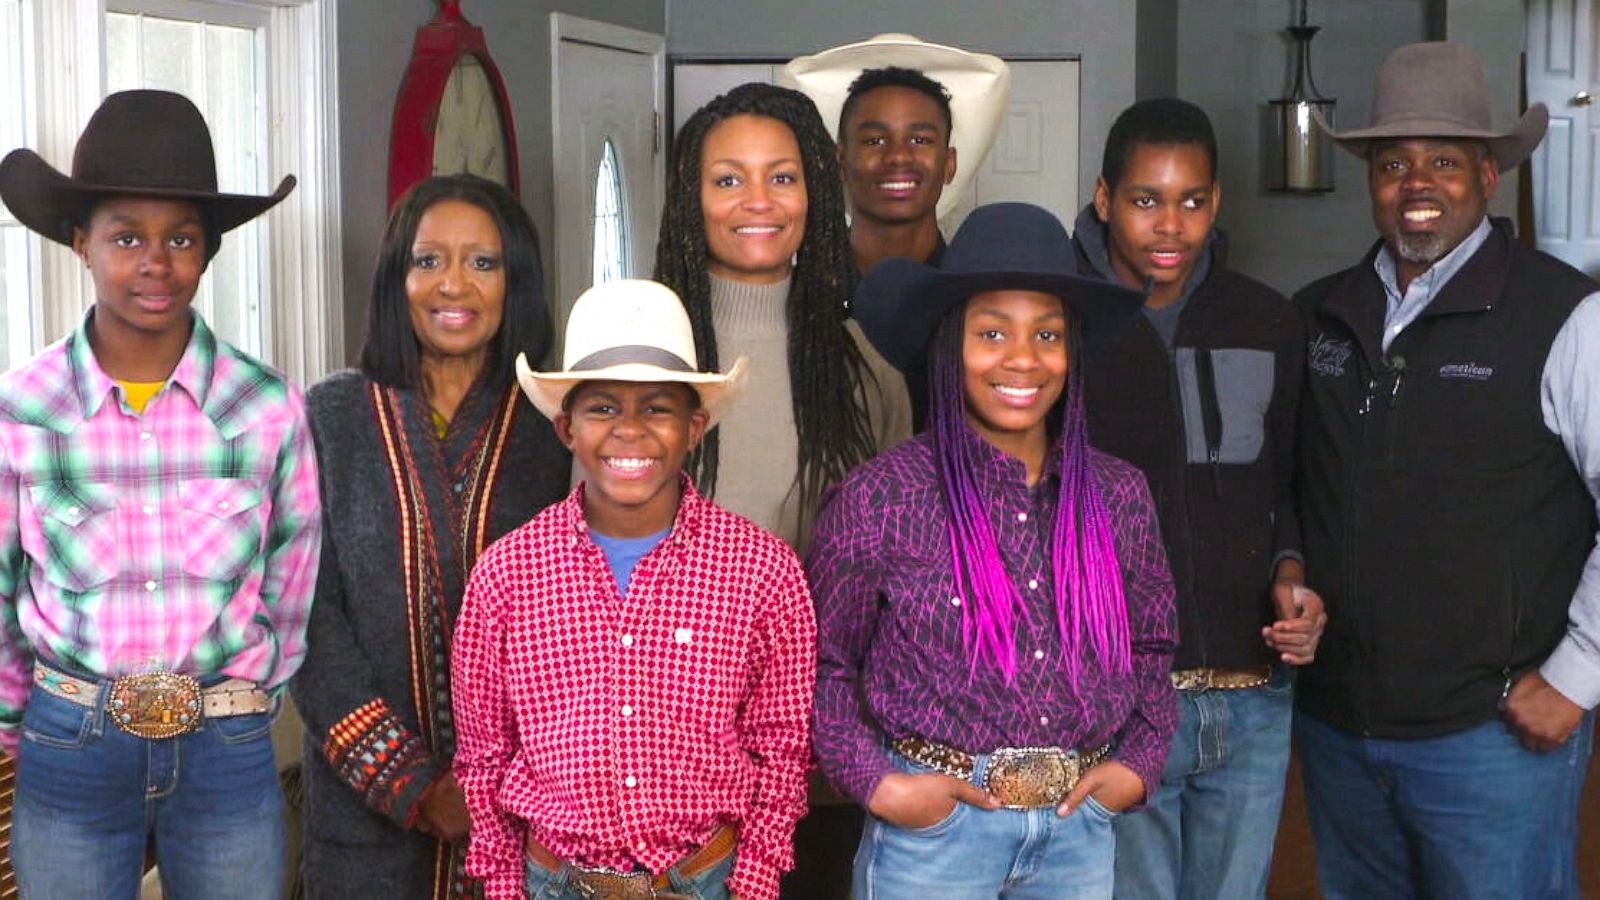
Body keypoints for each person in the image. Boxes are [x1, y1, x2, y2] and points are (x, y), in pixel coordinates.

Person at [1293, 41, 1600, 899]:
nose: (1416, 181)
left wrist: (1578, 676)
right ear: (1370, 180)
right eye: (1394, 162)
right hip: (1338, 729)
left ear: (1489, 176)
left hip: (1493, 735)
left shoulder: (1566, 316)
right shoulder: (1319, 312)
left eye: (1443, 161)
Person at [0, 89, 319, 898]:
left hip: (225, 742)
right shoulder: (23, 409)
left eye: (180, 238)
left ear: (207, 252)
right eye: (126, 237)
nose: (155, 262)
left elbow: (292, 574)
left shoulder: (266, 407)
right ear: (80, 243)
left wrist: (250, 699)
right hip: (70, 739)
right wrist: (21, 715)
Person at [810, 202, 1177, 899]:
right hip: (937, 840)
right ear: (950, 346)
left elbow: (1153, 649)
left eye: (1047, 334)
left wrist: (1140, 761)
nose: (1022, 359)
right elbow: (822, 665)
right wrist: (880, 785)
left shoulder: (1120, 496)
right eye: (991, 333)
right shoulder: (880, 499)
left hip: (1077, 832)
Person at [451, 278, 815, 900]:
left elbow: (780, 750)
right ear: (567, 428)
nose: (629, 430)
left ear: (694, 427)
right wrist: (506, 888)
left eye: (656, 407)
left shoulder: (763, 572)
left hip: (707, 880)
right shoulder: (506, 574)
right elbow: (484, 755)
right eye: (603, 408)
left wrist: (752, 884)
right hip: (554, 881)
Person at [654, 79, 912, 899]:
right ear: (691, 199)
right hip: (669, 776)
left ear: (816, 192)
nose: (757, 201)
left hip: (829, 771)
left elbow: (903, 588)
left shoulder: (869, 372)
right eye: (728, 178)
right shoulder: (643, 370)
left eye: (783, 175)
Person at [1070, 97, 1325, 899]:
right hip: (1121, 695)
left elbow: (1288, 483)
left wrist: (1294, 572)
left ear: (1216, 202)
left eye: (1191, 201)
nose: (1170, 225)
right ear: (1107, 198)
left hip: (1254, 696)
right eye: (1146, 200)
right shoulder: (1059, 328)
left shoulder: (1269, 320)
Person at [290, 174, 570, 899]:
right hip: (364, 818)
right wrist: (410, 780)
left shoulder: (559, 429)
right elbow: (308, 620)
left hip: (524, 810)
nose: (454, 285)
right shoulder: (332, 417)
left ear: (518, 282)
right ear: (396, 278)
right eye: (428, 260)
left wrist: (509, 781)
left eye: (484, 262)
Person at [784, 33, 1010, 428]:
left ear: (949, 163)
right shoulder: (796, 298)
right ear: (841, 160)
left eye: (920, 139)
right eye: (874, 140)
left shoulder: (980, 300)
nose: (898, 156)